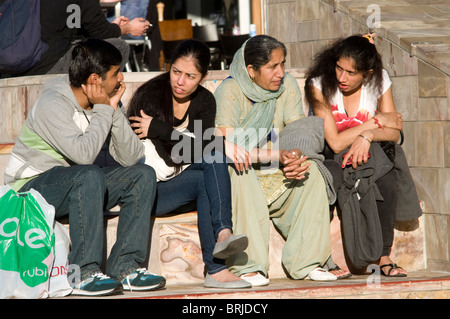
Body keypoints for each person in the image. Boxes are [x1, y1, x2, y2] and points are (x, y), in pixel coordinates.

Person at [3, 38, 165, 296]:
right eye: (115, 73)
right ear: (94, 80)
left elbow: (132, 157)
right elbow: (83, 156)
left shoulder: (103, 102)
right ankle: (83, 273)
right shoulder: (52, 104)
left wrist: (112, 111)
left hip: (75, 182)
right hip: (30, 190)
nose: (121, 78)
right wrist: (104, 109)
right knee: (88, 174)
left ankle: (126, 267)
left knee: (142, 175)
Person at [214, 35, 337, 286]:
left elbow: (296, 131)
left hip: (277, 170)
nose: (280, 73)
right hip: (244, 174)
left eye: (283, 64)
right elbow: (231, 148)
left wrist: (295, 157)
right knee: (239, 169)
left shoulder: (287, 85)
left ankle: (307, 262)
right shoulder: (230, 90)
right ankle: (248, 266)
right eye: (272, 66)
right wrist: (277, 156)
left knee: (311, 168)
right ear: (251, 70)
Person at [127, 39, 251, 289]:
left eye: (190, 76)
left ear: (203, 77)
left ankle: (222, 241)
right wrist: (214, 142)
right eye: (176, 72)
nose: (180, 82)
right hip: (150, 191)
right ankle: (218, 259)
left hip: (183, 183)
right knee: (212, 155)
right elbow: (174, 156)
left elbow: (195, 150)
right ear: (169, 68)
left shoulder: (204, 101)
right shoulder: (149, 96)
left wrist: (163, 130)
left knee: (212, 161)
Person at [304, 34, 421, 277]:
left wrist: (366, 137)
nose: (341, 77)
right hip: (329, 154)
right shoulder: (318, 84)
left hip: (368, 150)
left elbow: (393, 132)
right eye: (339, 67)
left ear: (367, 73)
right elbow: (335, 142)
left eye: (351, 72)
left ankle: (384, 255)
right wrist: (374, 123)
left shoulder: (379, 80)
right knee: (362, 173)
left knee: (385, 178)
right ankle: (355, 255)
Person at [22, 0, 150, 76]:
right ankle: (98, 104)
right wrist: (128, 28)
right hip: (50, 63)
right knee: (119, 46)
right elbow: (101, 33)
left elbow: (72, 26)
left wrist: (113, 26)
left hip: (21, 61)